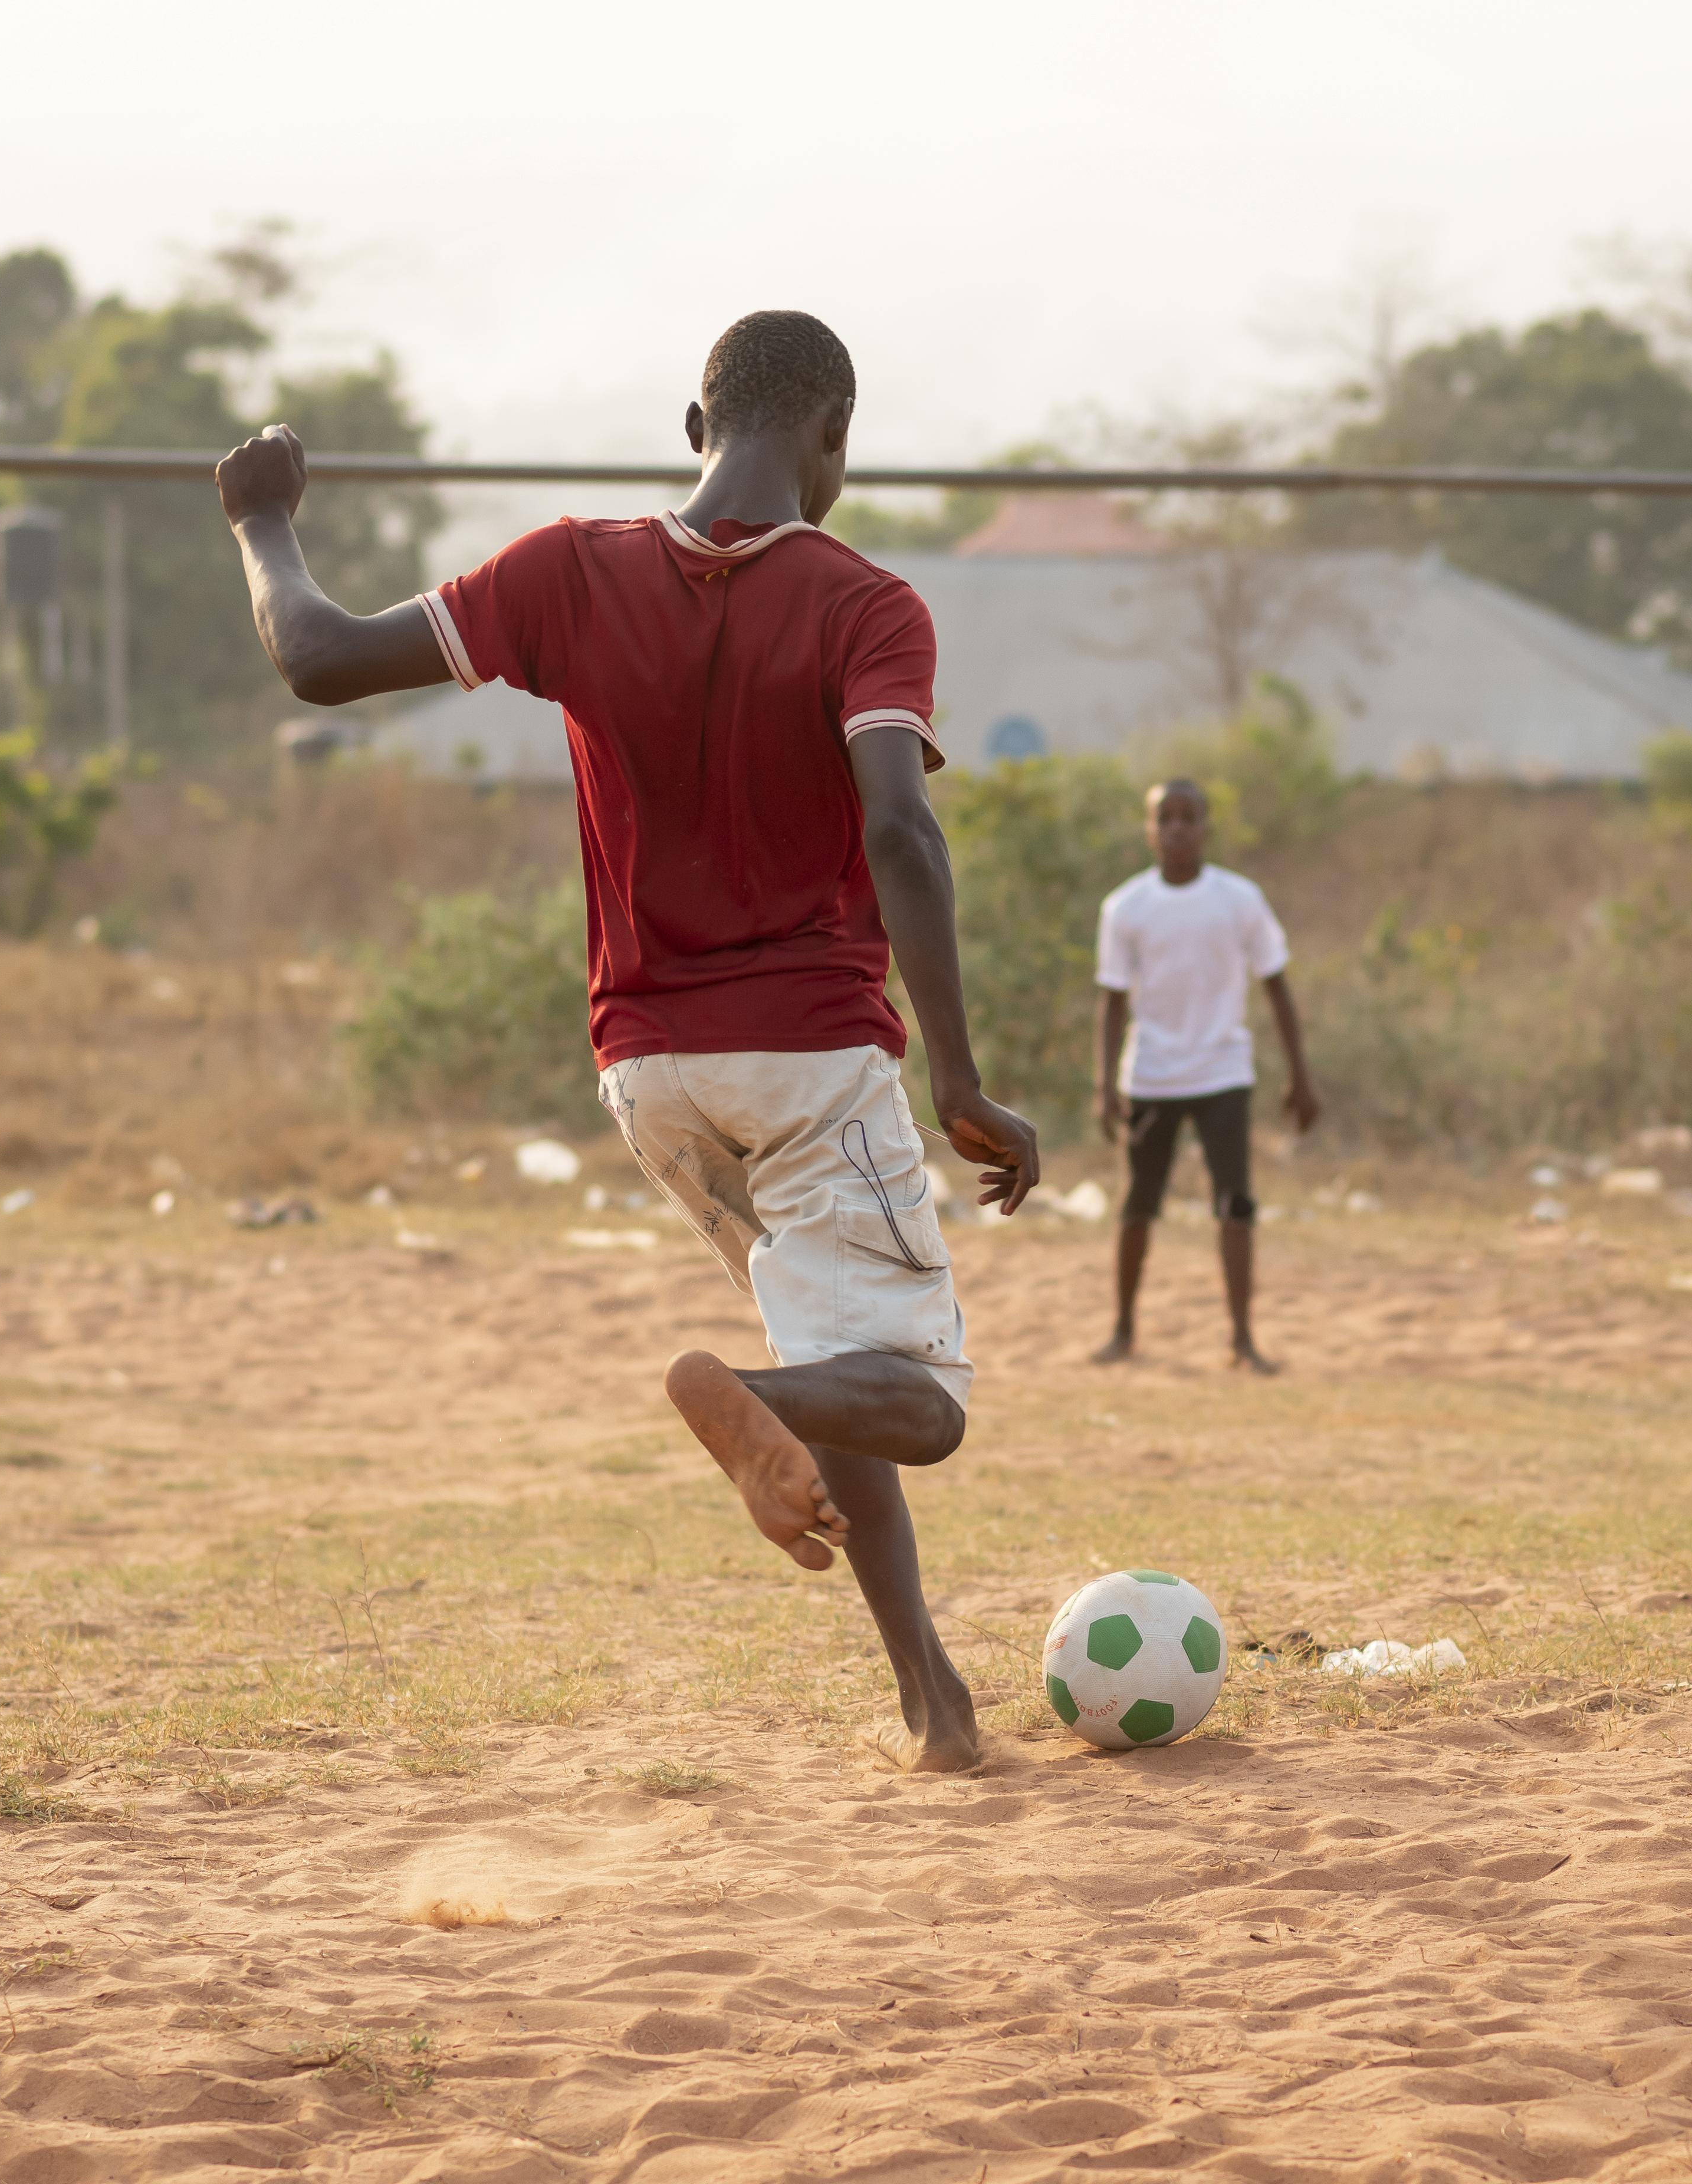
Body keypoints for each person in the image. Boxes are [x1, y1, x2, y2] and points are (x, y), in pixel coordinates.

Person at [214, 310, 1038, 1773]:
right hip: (810, 1060)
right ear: (836, 440)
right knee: (918, 1402)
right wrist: (960, 1076)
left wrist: (266, 523)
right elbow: (901, 828)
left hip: (648, 1079)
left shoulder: (563, 571)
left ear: (691, 425)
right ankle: (749, 1399)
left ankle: (936, 1703)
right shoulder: (868, 607)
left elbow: (320, 658)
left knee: (839, 1355)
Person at [1092, 778, 1319, 1371]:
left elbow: (1276, 986)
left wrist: (1300, 1075)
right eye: (1164, 817)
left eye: (1187, 817)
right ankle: (1122, 1330)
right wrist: (1104, 1084)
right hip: (1151, 1075)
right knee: (1137, 1204)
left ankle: (1241, 1339)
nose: (1176, 828)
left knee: (1235, 1204)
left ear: (1205, 827)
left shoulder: (1239, 899)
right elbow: (1112, 1001)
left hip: (1222, 1072)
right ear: (1148, 829)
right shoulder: (1124, 907)